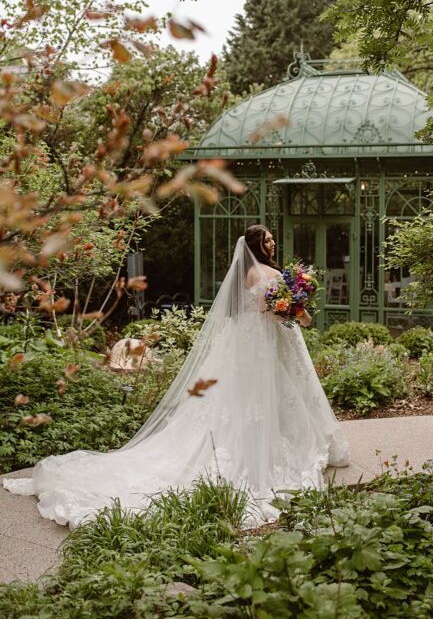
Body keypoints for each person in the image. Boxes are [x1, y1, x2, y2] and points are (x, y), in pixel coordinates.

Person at [2, 224, 349, 528]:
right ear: (256, 245)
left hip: (268, 342)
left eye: (273, 239)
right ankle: (265, 453)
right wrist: (291, 310)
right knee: (259, 397)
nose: (272, 244)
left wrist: (293, 307)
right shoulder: (259, 274)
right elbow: (265, 311)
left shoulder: (267, 272)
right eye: (268, 240)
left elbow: (271, 309)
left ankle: (286, 441)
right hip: (262, 342)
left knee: (277, 395)